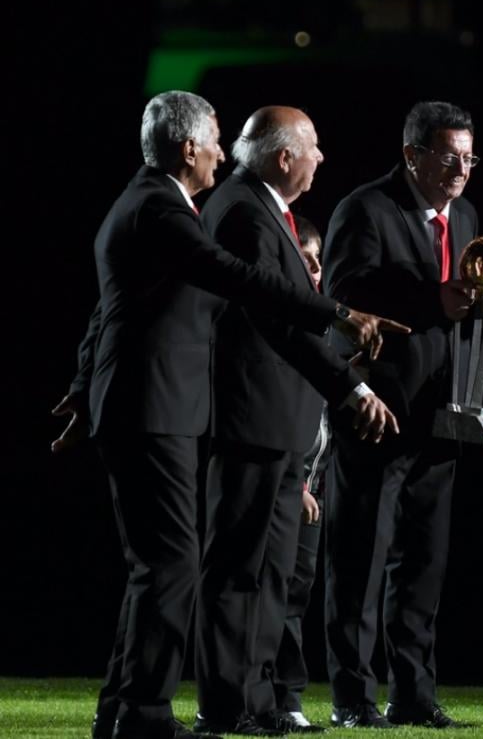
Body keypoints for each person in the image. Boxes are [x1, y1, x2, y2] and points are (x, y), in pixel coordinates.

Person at [51, 91, 389, 739]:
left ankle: (122, 709)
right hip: (155, 406)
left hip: (153, 403)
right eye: (212, 142)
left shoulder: (154, 204)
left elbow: (108, 313)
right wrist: (337, 312)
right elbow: (232, 275)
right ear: (188, 149)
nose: (218, 152)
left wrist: (81, 387)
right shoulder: (161, 207)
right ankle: (144, 712)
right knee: (172, 566)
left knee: (160, 566)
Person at [194, 106, 404, 736]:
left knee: (270, 575)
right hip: (251, 419)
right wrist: (349, 386)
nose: (322, 158)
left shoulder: (260, 209)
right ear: (283, 157)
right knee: (240, 571)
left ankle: (257, 702)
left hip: (277, 422)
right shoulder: (241, 210)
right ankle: (228, 704)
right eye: (313, 146)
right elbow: (275, 317)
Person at [320, 100, 481, 729]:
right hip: (379, 410)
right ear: (413, 155)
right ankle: (352, 697)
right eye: (450, 158)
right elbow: (344, 298)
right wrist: (435, 300)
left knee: (423, 563)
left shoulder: (465, 215)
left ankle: (413, 692)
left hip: (441, 416)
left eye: (470, 158)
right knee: (360, 558)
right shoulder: (364, 209)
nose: (462, 170)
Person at [268, 216, 330, 733]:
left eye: (318, 258)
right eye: (303, 256)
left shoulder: (324, 323)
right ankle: (271, 696)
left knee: (298, 591)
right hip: (287, 479)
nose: (314, 267)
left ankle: (286, 696)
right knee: (275, 590)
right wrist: (299, 483)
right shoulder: (277, 322)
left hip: (314, 478)